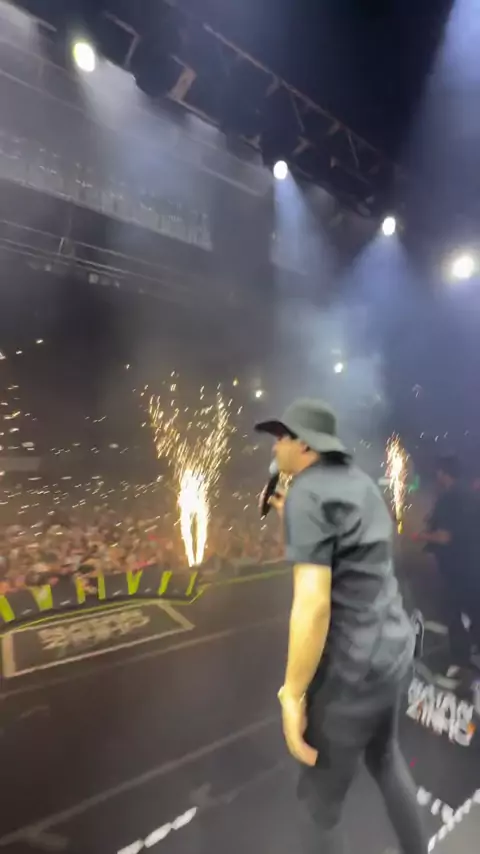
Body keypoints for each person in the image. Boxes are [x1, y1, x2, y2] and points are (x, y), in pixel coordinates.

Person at [255, 399, 426, 854]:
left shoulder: (308, 495)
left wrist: (292, 695)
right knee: (387, 760)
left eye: (282, 436)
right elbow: (353, 559)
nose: (275, 445)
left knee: (319, 808)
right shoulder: (360, 483)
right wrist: (296, 515)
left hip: (351, 677)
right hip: (393, 656)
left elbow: (312, 606)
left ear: (305, 445)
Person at [414, 454, 480, 682]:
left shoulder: (449, 498)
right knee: (475, 610)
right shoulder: (471, 495)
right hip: (474, 565)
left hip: (457, 569)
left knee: (454, 614)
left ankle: (461, 664)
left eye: (438, 472)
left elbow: (444, 537)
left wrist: (421, 535)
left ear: (443, 473)